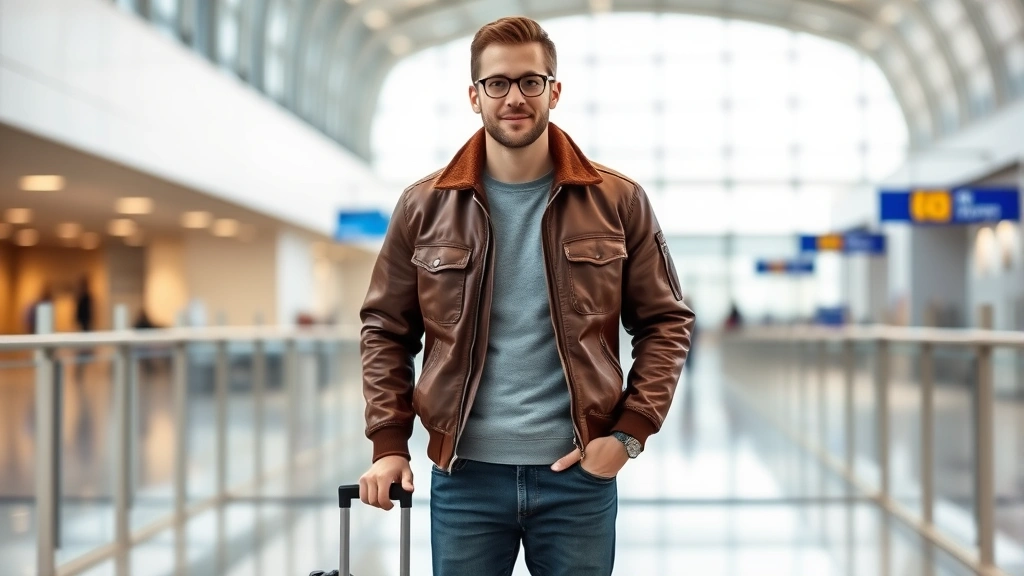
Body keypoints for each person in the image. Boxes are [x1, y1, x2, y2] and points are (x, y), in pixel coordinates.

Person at [357, 16, 694, 576]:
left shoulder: (618, 200)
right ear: (474, 96)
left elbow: (665, 321)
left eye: (531, 82)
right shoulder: (423, 205)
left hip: (578, 476)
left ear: (554, 91)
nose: (514, 97)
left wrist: (628, 436)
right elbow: (385, 329)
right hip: (465, 476)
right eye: (498, 83)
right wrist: (389, 443)